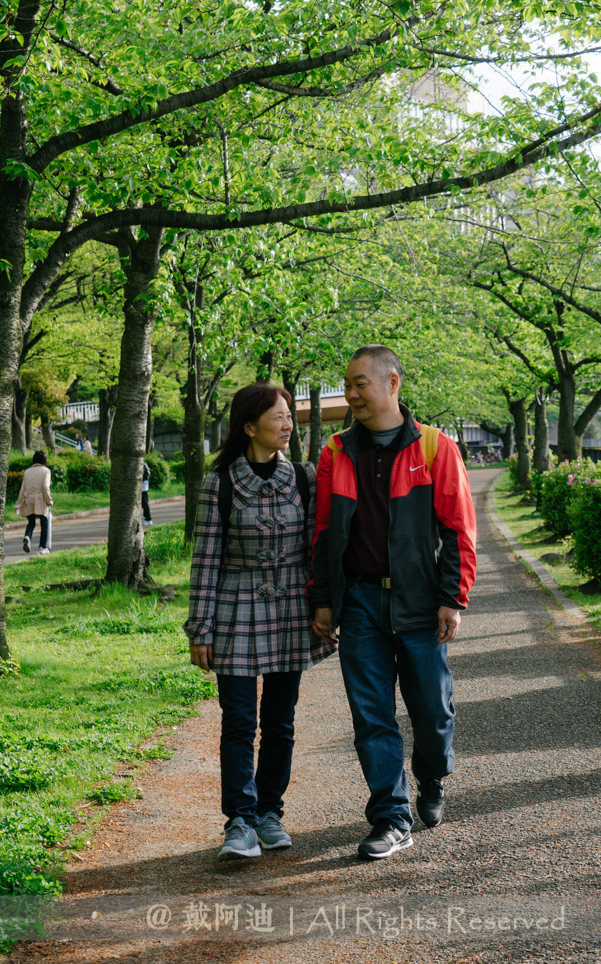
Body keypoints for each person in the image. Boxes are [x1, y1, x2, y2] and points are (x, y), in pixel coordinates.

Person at [308, 345, 477, 861]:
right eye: (348, 384)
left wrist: (453, 598)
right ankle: (390, 814)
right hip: (359, 601)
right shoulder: (335, 451)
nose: (352, 393)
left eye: (361, 383)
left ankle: (431, 776)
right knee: (371, 715)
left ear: (392, 383)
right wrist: (323, 598)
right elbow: (322, 532)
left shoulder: (434, 448)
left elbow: (458, 529)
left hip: (422, 604)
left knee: (432, 711)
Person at [186, 383, 333, 860]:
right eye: (278, 417)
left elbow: (317, 552)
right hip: (235, 611)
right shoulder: (221, 484)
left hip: (290, 612)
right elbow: (206, 561)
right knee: (239, 722)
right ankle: (240, 821)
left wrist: (323, 607)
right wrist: (200, 629)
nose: (288, 424)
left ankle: (270, 813)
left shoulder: (306, 479)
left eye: (289, 416)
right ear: (250, 427)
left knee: (280, 721)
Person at [17, 450, 53, 555]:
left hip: (29, 499)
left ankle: (27, 537)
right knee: (44, 523)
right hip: (40, 499)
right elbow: (45, 487)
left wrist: (18, 503)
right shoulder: (46, 471)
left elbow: (22, 489)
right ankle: (42, 547)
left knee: (31, 522)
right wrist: (49, 500)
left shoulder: (27, 471)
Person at [141, 459, 153, 525]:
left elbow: (145, 475)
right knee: (144, 503)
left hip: (143, 487)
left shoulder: (143, 465)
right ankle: (147, 518)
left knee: (144, 503)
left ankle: (148, 519)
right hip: (143, 487)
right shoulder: (143, 464)